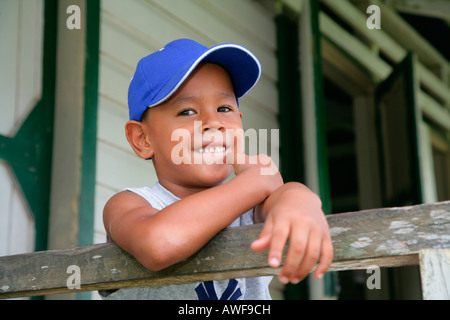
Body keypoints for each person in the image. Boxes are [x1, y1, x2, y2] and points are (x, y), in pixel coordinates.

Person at [101, 39, 333, 300]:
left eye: (224, 108)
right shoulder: (129, 204)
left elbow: (284, 200)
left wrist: (298, 198)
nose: (213, 122)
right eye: (187, 111)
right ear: (143, 139)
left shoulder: (253, 208)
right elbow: (160, 244)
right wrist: (257, 180)